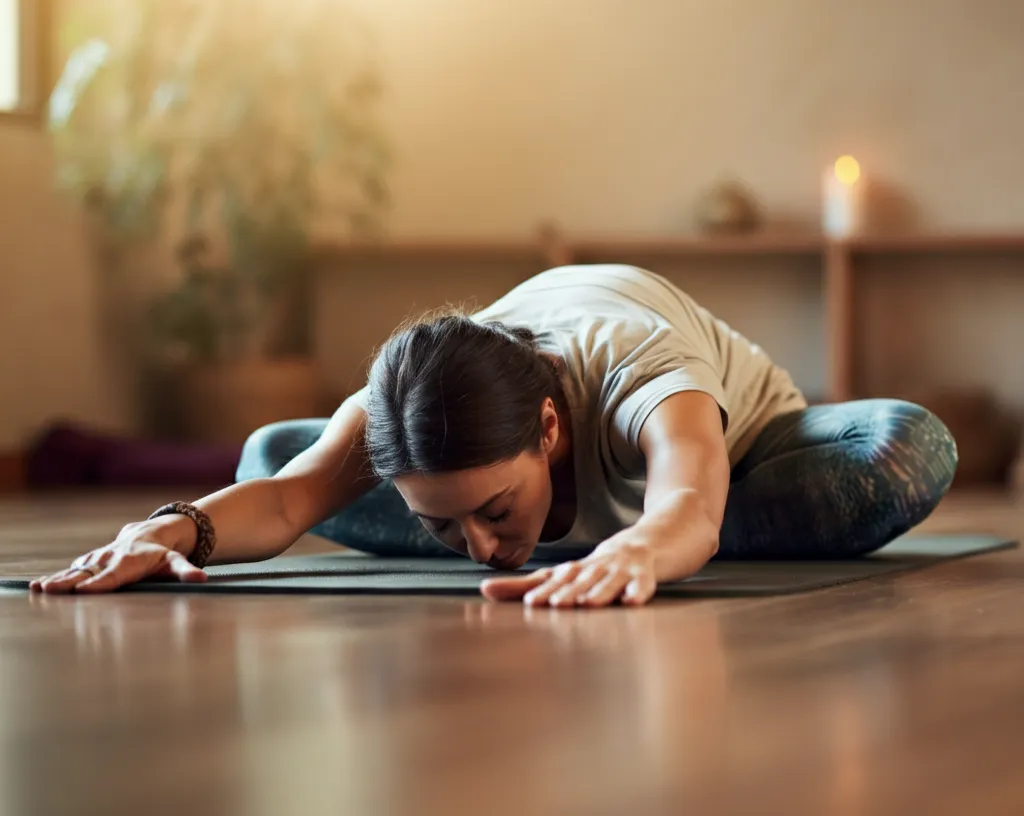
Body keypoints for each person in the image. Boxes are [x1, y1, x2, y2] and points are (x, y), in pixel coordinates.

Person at [30, 265, 958, 608]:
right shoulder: (405, 395)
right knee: (276, 449)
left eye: (493, 508)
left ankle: (618, 550)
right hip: (633, 509)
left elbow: (685, 493)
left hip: (744, 470)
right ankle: (584, 541)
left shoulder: (633, 360)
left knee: (904, 446)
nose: (479, 550)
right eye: (447, 527)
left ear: (551, 425)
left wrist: (648, 542)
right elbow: (285, 496)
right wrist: (172, 527)